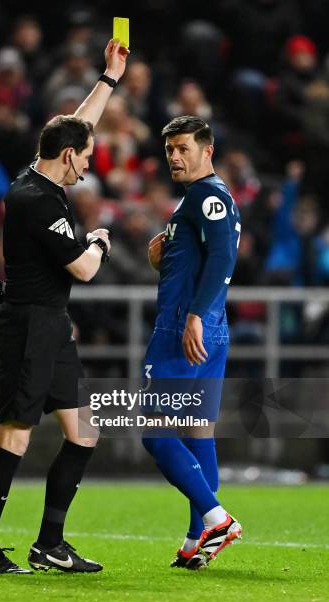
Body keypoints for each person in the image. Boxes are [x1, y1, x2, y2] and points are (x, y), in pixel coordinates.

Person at [0, 39, 128, 575]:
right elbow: (83, 269)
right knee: (14, 434)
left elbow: (77, 125)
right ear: (67, 157)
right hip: (27, 325)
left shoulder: (38, 176)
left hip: (52, 326)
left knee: (84, 430)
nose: (87, 165)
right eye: (84, 157)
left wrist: (108, 79)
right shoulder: (37, 201)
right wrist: (101, 240)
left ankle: (49, 544)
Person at [142, 116, 242, 570]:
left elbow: (224, 256)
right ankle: (194, 540)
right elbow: (200, 259)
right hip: (206, 326)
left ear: (208, 151)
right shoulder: (200, 201)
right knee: (198, 432)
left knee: (153, 430)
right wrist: (163, 256)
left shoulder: (207, 197)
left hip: (185, 328)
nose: (175, 158)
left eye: (184, 148)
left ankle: (217, 519)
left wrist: (195, 316)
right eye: (170, 151)